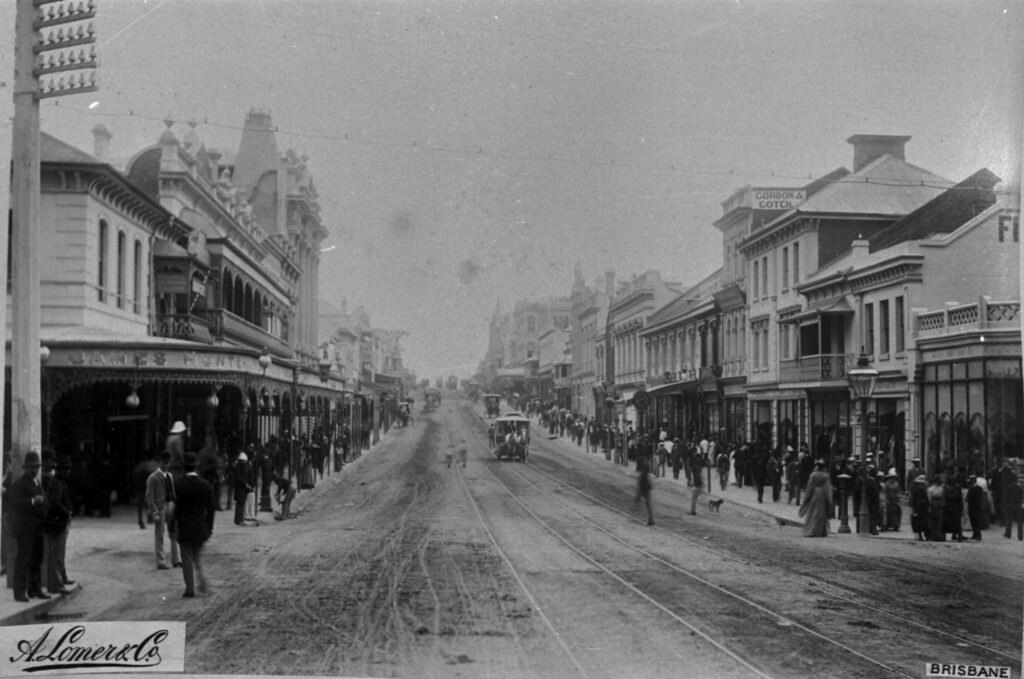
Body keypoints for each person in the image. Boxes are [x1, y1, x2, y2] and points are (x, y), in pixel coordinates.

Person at [173, 452, 215, 598]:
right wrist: (209, 529)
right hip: (200, 528)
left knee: (186, 558)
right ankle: (203, 583)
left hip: (184, 527)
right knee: (197, 557)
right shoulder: (206, 486)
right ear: (196, 467)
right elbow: (211, 511)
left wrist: (172, 526)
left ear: (184, 467)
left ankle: (190, 588)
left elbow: (176, 509)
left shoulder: (178, 486)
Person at [9, 451, 49, 601]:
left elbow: (44, 500)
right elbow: (15, 504)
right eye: (32, 467)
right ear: (26, 468)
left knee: (36, 559)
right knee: (23, 559)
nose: (35, 470)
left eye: (37, 467)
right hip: (25, 528)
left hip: (37, 527)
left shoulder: (37, 482)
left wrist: (43, 503)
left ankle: (35, 589)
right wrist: (33, 501)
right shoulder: (19, 484)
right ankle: (19, 592)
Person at [42, 452, 74, 595]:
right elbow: (55, 503)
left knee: (58, 554)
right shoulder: (57, 483)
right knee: (57, 555)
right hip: (58, 523)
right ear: (60, 469)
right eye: (66, 468)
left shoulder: (58, 482)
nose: (68, 471)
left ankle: (61, 579)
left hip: (57, 522)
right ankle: (56, 585)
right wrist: (66, 512)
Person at [145, 451, 180, 569]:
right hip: (160, 508)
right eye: (164, 463)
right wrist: (154, 512)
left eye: (168, 463)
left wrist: (175, 504)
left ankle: (176, 559)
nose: (166, 465)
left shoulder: (169, 476)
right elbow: (149, 497)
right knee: (160, 534)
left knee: (174, 532)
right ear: (160, 462)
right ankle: (161, 561)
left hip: (170, 505)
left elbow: (173, 492)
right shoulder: (153, 477)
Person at [799, 461, 832, 537]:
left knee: (813, 513)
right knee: (821, 513)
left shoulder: (813, 475)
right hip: (823, 494)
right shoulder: (826, 476)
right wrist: (829, 500)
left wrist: (807, 497)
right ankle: (820, 530)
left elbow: (809, 486)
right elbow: (828, 489)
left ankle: (811, 529)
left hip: (814, 494)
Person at [233, 453, 253, 526]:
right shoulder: (240, 467)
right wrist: (246, 484)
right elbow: (241, 478)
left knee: (240, 504)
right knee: (240, 504)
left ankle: (238, 519)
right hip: (241, 488)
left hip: (241, 488)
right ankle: (239, 520)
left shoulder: (239, 466)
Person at [634, 451, 654, 526]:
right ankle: (650, 519)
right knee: (647, 503)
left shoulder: (644, 466)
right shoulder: (646, 463)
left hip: (644, 487)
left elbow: (643, 478)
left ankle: (650, 519)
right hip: (646, 486)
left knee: (646, 503)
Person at [1001, 473, 1023, 541]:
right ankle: (1020, 536)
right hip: (1018, 505)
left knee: (1009, 520)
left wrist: (1003, 505)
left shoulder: (1008, 487)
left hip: (1009, 505)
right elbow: (1021, 496)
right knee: (1020, 522)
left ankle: (1008, 534)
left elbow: (1004, 497)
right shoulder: (1019, 487)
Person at [966, 475, 986, 541]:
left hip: (973, 507)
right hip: (977, 508)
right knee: (975, 522)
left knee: (974, 522)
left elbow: (967, 498)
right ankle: (976, 535)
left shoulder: (972, 489)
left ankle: (977, 535)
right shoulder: (979, 489)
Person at [926, 476, 946, 542]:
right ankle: (933, 536)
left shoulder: (942, 489)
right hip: (933, 505)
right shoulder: (930, 489)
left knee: (940, 521)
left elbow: (943, 497)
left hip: (939, 505)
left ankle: (939, 536)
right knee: (933, 521)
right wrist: (929, 507)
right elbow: (929, 499)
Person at [688, 451, 704, 516]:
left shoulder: (695, 468)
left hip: (697, 484)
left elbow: (691, 465)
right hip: (698, 484)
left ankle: (692, 511)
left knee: (693, 499)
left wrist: (694, 484)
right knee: (694, 498)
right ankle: (693, 511)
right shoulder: (698, 467)